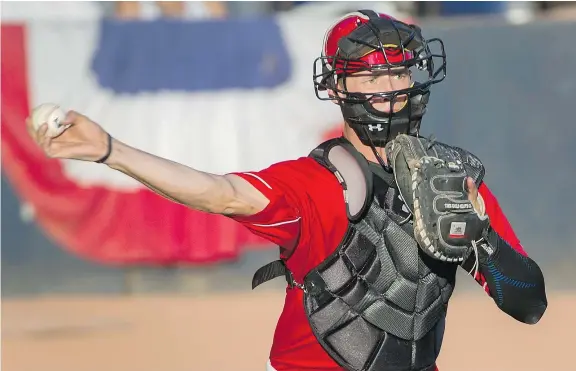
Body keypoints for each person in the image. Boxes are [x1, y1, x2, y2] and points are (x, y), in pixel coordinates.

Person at [27, 10, 547, 371]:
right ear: (339, 88)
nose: (391, 88)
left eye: (401, 73)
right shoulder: (316, 184)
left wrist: (482, 243)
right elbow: (220, 192)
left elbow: (529, 304)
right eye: (372, 76)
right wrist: (109, 150)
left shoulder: (454, 182)